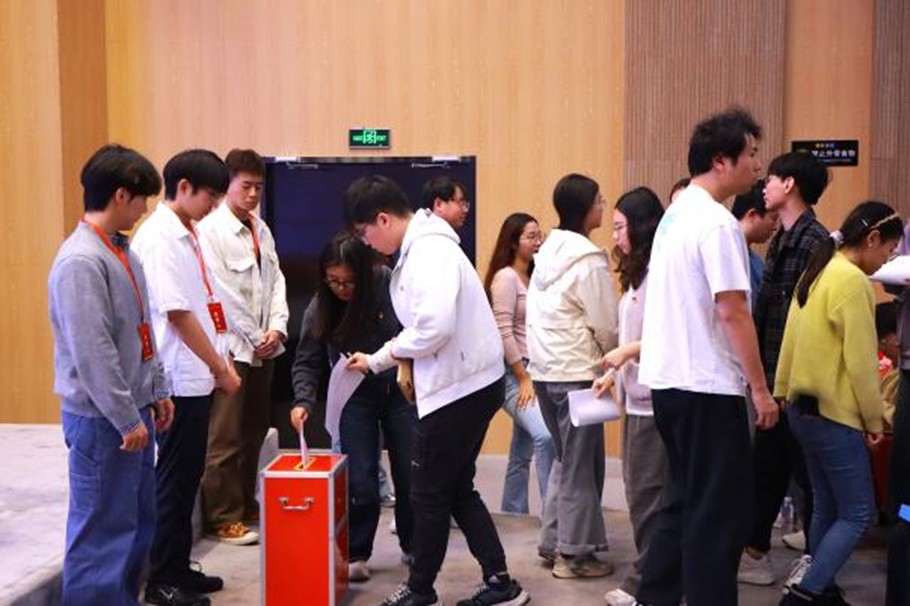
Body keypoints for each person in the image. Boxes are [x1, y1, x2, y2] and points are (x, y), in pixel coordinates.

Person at [345, 175, 529, 606]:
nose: (367, 243)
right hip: (467, 383)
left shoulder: (428, 251)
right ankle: (500, 582)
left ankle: (421, 589)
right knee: (456, 487)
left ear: (383, 219)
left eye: (365, 232)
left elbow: (433, 328)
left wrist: (380, 358)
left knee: (427, 492)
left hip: (458, 389)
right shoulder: (424, 247)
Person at [636, 107, 779, 606]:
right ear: (721, 160)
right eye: (752, 155)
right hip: (707, 387)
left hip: (670, 384)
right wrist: (760, 389)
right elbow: (733, 310)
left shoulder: (675, 215)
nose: (758, 167)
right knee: (717, 519)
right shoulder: (717, 224)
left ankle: (653, 597)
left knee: (682, 504)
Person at [49, 144, 175, 606]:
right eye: (143, 200)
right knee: (102, 531)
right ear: (121, 195)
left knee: (135, 524)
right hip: (103, 420)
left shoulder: (122, 252)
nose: (145, 210)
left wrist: (157, 390)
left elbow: (143, 329)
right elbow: (93, 352)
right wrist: (125, 417)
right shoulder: (81, 262)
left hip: (133, 411)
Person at [775, 201, 900, 606]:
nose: (887, 261)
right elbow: (862, 363)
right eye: (889, 251)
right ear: (873, 238)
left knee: (826, 506)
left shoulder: (819, 268)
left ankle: (822, 588)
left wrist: (781, 389)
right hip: (833, 414)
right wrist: (875, 421)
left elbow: (789, 337)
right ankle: (806, 592)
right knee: (858, 513)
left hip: (802, 409)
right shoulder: (852, 281)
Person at [132, 149, 241, 606]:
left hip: (197, 376)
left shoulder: (188, 232)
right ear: (183, 187)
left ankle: (178, 566)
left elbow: (206, 304)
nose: (214, 205)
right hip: (177, 379)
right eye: (210, 195)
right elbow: (177, 314)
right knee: (174, 482)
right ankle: (162, 579)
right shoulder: (160, 238)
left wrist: (222, 359)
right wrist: (218, 367)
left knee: (187, 477)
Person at [289, 233, 417, 583]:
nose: (342, 289)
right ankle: (357, 551)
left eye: (349, 282)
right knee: (360, 480)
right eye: (334, 281)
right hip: (353, 397)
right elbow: (307, 359)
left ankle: (414, 545)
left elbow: (413, 331)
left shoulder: (386, 283)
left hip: (398, 390)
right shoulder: (321, 305)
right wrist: (303, 400)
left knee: (409, 474)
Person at [739, 151, 831, 588]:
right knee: (768, 469)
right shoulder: (781, 239)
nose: (765, 186)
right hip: (774, 379)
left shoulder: (815, 242)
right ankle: (756, 553)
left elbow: (810, 323)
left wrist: (783, 384)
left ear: (790, 184)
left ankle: (816, 565)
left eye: (772, 178)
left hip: (797, 385)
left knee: (809, 477)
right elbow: (765, 313)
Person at [526, 173, 618, 579]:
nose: (603, 206)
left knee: (566, 461)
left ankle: (553, 542)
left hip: (545, 372)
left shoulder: (545, 253)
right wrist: (616, 356)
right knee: (582, 465)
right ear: (585, 208)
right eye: (599, 200)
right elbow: (605, 323)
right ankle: (574, 556)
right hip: (579, 373)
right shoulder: (588, 259)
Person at [196, 148, 288, 545]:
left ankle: (246, 503)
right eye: (246, 186)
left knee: (254, 430)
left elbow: (277, 281)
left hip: (264, 347)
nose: (252, 194)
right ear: (227, 184)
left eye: (258, 187)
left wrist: (277, 329)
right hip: (233, 348)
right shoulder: (210, 231)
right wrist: (254, 335)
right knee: (225, 435)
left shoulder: (260, 229)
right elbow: (222, 294)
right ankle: (222, 515)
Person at [596, 187, 667, 606]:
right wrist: (613, 374)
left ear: (641, 227)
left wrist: (625, 354)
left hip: (654, 402)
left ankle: (647, 585)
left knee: (647, 497)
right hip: (636, 398)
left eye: (620, 227)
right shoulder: (639, 275)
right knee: (642, 494)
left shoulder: (660, 274)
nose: (616, 236)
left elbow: (665, 334)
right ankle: (652, 581)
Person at [483, 213, 555, 516]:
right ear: (513, 242)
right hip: (513, 373)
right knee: (545, 436)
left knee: (522, 448)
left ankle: (513, 511)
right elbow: (503, 332)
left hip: (535, 369)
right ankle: (554, 517)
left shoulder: (535, 277)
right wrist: (523, 377)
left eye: (540, 235)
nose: (538, 242)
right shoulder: (505, 278)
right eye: (531, 236)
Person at [731, 180, 778, 297]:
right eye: (773, 218)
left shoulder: (755, 261)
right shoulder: (725, 253)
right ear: (752, 215)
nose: (775, 227)